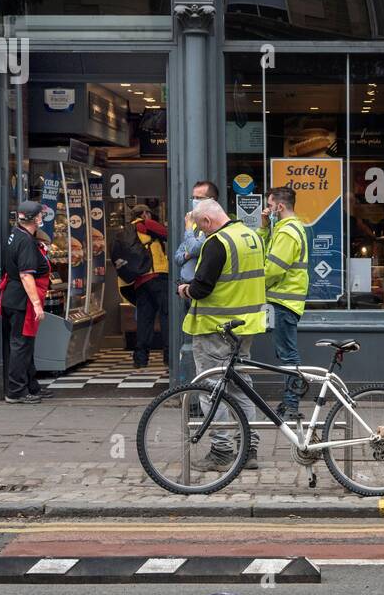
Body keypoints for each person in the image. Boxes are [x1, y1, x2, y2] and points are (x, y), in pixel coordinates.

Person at [178, 198, 267, 469]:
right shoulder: (250, 236)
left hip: (215, 328)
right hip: (245, 325)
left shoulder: (217, 243)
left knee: (211, 389)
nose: (201, 232)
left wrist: (185, 289)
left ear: (207, 221)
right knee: (241, 387)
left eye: (201, 227)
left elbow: (202, 288)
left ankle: (222, 451)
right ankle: (248, 448)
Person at [261, 186, 310, 421]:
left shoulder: (287, 232)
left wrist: (252, 285)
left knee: (289, 356)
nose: (267, 210)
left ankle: (291, 405)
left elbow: (272, 268)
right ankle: (289, 403)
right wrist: (263, 227)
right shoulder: (282, 229)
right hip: (282, 301)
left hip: (283, 301)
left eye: (269, 206)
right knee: (286, 354)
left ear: (279, 206)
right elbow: (265, 254)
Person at [0, 201, 52, 405]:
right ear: (34, 219)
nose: (42, 218)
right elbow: (26, 275)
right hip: (22, 300)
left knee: (25, 345)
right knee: (21, 345)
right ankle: (16, 391)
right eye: (40, 215)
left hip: (13, 297)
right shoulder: (25, 242)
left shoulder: (17, 235)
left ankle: (31, 385)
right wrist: (37, 304)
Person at [129, 204, 170, 370]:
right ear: (144, 214)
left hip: (140, 279)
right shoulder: (146, 224)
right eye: (149, 213)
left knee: (145, 320)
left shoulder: (129, 230)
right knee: (166, 315)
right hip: (157, 275)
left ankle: (140, 359)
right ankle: (169, 356)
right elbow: (167, 234)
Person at [175, 180, 220, 281]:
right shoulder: (195, 225)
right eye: (193, 197)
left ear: (211, 200)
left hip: (202, 284)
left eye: (199, 198)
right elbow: (178, 257)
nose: (194, 201)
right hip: (188, 286)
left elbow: (194, 249)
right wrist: (187, 255)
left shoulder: (212, 224)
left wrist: (189, 227)